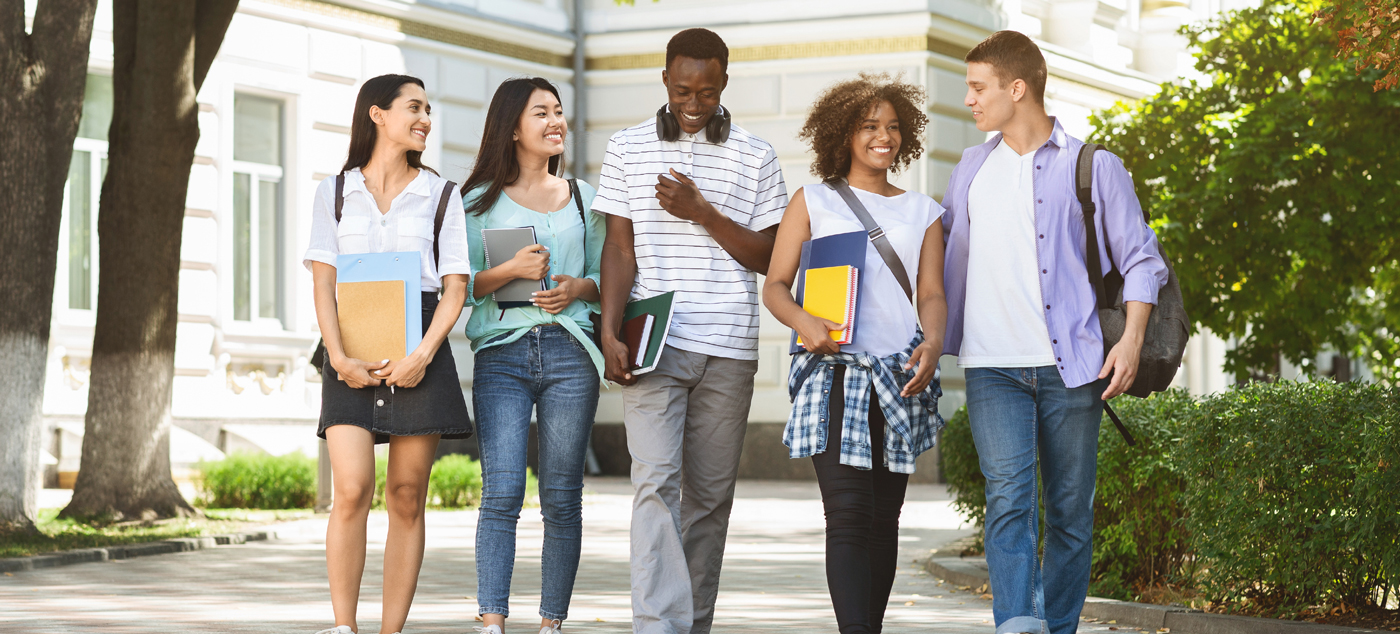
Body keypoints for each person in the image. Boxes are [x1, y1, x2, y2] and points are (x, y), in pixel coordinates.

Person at [943, 31, 1168, 634]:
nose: (969, 99)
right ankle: (1018, 626)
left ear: (1017, 89)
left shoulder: (1092, 165)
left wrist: (1131, 340)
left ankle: (1059, 626)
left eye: (978, 87)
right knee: (1008, 506)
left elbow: (1142, 260)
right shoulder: (969, 168)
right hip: (992, 367)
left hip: (1074, 368)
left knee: (1070, 513)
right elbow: (941, 261)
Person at [592, 27, 789, 634]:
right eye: (683, 90)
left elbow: (769, 257)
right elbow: (618, 251)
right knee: (655, 485)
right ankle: (658, 625)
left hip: (729, 346)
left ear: (724, 82)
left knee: (708, 501)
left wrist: (703, 211)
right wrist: (609, 329)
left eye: (706, 91)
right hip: (655, 340)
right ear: (665, 81)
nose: (694, 103)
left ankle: (691, 624)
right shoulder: (626, 149)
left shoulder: (756, 155)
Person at [763, 73, 947, 634]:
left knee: (884, 520)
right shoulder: (813, 200)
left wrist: (935, 344)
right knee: (848, 516)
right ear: (843, 134)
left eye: (892, 127)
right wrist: (803, 321)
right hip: (834, 374)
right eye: (869, 126)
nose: (882, 137)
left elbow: (932, 293)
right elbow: (774, 284)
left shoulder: (924, 211)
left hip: (900, 376)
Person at [303, 74, 475, 634]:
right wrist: (337, 356)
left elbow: (455, 287)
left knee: (406, 495)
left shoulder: (443, 195)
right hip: (348, 346)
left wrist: (424, 354)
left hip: (419, 347)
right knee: (351, 488)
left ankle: (390, 631)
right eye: (414, 107)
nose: (425, 118)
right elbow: (323, 284)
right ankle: (343, 627)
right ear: (377, 114)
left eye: (429, 109)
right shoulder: (333, 192)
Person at [459, 76, 604, 634]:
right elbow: (462, 284)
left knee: (563, 494)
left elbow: (604, 278)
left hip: (572, 351)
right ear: (512, 127)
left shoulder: (586, 199)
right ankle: (492, 619)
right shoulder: (476, 202)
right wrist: (509, 272)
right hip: (502, 354)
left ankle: (552, 623)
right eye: (540, 112)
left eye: (559, 112)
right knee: (502, 489)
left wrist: (576, 288)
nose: (554, 122)